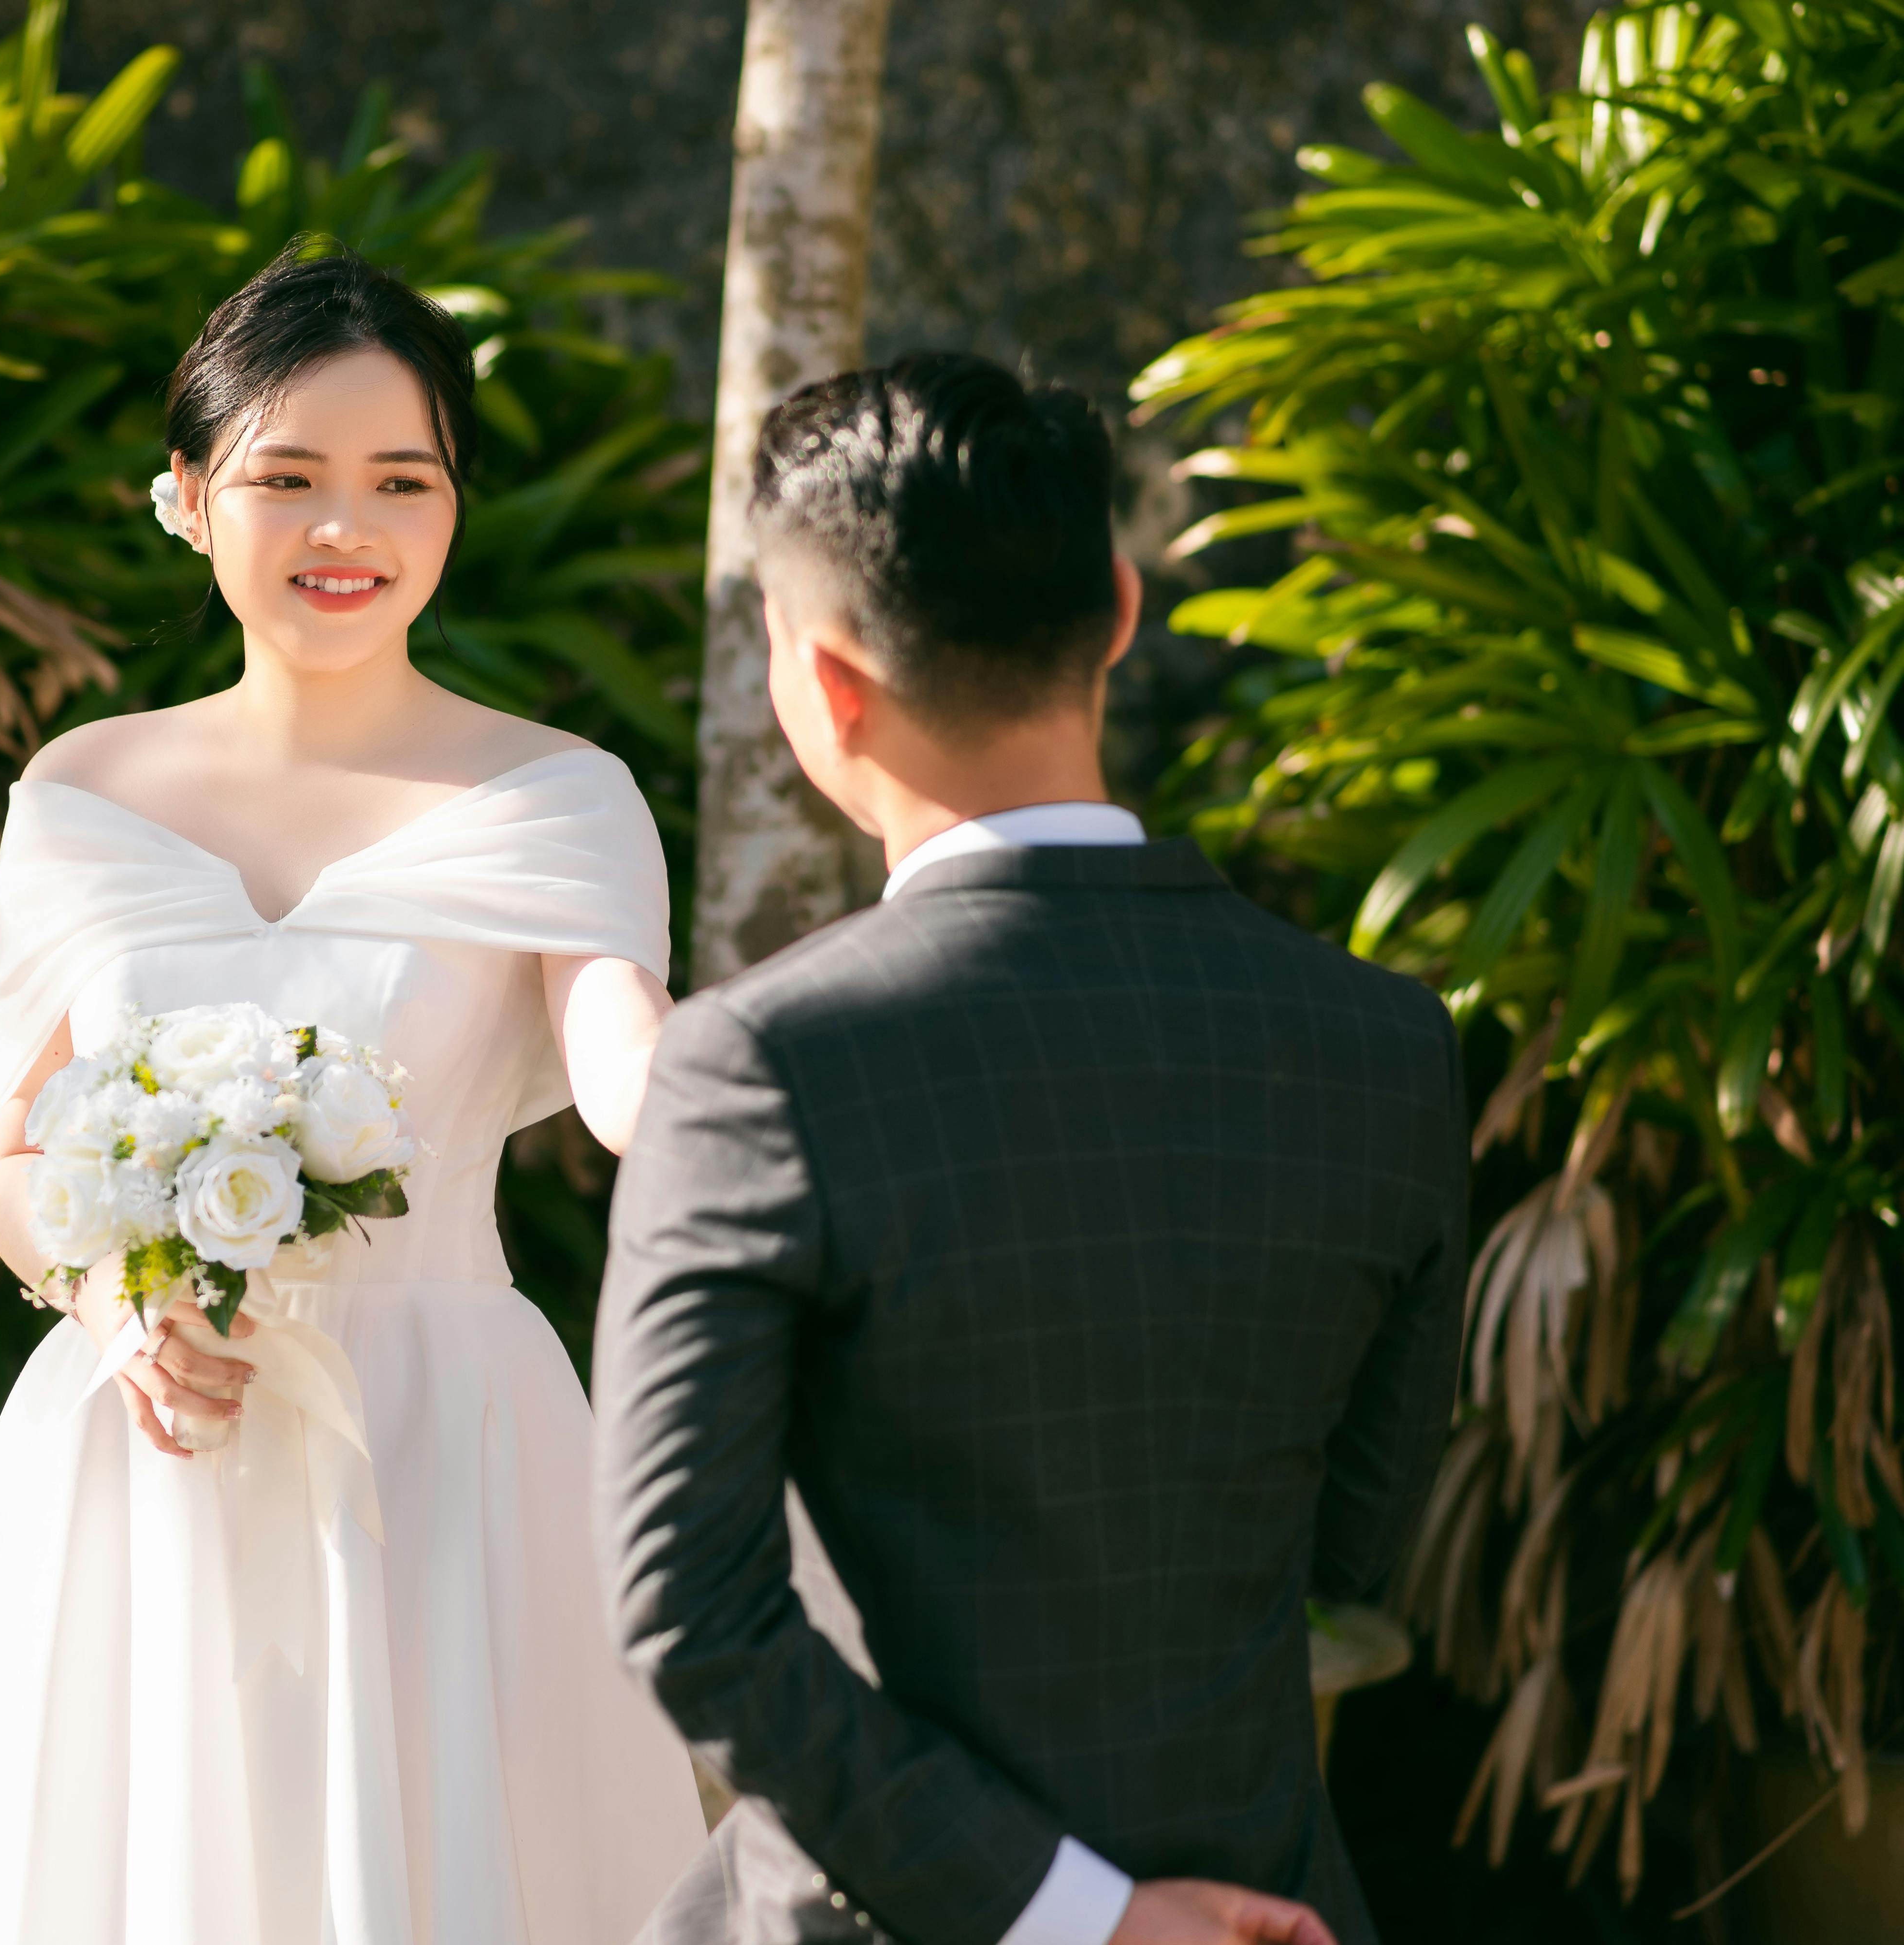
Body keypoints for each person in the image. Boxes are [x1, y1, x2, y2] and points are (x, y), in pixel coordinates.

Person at [0, 244, 709, 1944]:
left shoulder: (559, 794)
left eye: (403, 481)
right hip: (148, 1439)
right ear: (186, 495)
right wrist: (114, 1308)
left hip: (444, 1449)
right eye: (288, 478)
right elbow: (23, 1158)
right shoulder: (81, 792)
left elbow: (634, 1077)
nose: (348, 529)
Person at [590, 353, 1469, 1945]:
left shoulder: (761, 1065)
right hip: (1273, 1903)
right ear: (1123, 612)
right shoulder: (1384, 1043)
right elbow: (1349, 1531)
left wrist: (1079, 1918)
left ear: (829, 683)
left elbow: (690, 1612)